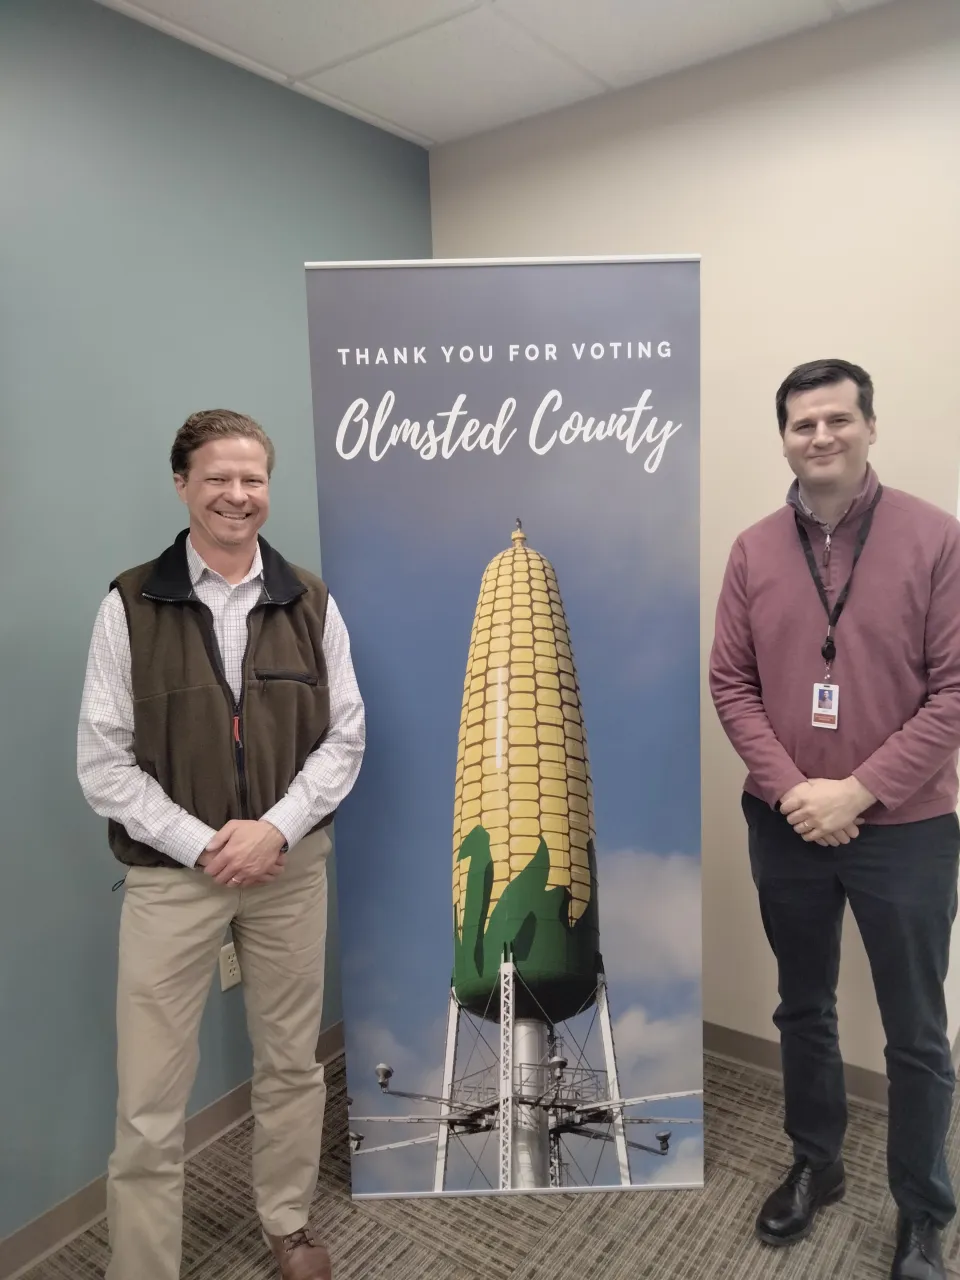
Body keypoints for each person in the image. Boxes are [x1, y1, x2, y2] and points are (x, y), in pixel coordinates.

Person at [78, 410, 364, 1280]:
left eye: (252, 479)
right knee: (150, 1100)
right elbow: (103, 763)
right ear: (182, 485)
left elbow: (345, 737)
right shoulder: (131, 602)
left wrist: (273, 829)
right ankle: (143, 1265)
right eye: (217, 479)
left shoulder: (309, 598)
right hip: (173, 879)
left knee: (291, 1064)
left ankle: (286, 1221)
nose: (238, 496)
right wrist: (209, 845)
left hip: (289, 867)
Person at [710, 360, 960, 1280]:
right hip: (786, 825)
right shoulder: (752, 549)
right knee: (803, 1008)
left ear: (869, 427)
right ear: (783, 437)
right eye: (802, 423)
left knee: (917, 1032)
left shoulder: (938, 539)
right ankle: (818, 1165)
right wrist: (791, 793)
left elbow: (954, 694)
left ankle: (924, 1214)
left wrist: (857, 791)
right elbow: (730, 684)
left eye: (837, 420)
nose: (821, 437)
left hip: (907, 828)